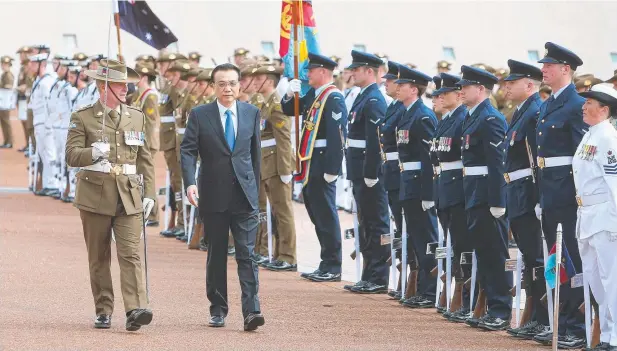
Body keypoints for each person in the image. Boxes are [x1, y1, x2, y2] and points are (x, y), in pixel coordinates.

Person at [65, 59, 155, 331]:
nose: (126, 88)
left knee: (131, 253)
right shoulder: (83, 116)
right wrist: (93, 152)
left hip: (128, 194)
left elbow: (145, 159)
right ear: (103, 87)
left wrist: (149, 194)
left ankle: (135, 309)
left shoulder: (136, 116)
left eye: (126, 84)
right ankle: (103, 308)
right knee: (99, 256)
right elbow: (71, 155)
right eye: (119, 84)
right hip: (95, 194)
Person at [181, 63, 264, 331]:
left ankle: (252, 310)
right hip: (213, 195)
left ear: (240, 86)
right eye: (221, 84)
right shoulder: (200, 114)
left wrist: (255, 191)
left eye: (232, 83)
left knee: (247, 255)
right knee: (216, 253)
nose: (227, 88)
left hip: (244, 195)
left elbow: (255, 156)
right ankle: (217, 308)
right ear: (214, 87)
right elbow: (187, 151)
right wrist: (190, 183)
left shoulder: (252, 113)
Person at [532, 42, 588, 349]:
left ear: (565, 69)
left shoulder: (576, 104)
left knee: (573, 259)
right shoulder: (548, 104)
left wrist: (578, 197)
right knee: (556, 259)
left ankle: (576, 324)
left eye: (548, 66)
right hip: (550, 192)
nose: (543, 70)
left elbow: (580, 158)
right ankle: (560, 321)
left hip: (568, 194)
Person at [281, 53, 347, 282]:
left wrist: (332, 169)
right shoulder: (315, 95)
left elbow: (337, 137)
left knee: (326, 214)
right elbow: (290, 110)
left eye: (311, 70)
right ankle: (325, 262)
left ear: (323, 72)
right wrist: (290, 93)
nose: (307, 74)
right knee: (316, 213)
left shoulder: (333, 97)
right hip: (310, 160)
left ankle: (333, 264)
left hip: (321, 161)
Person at [457, 65, 512, 331]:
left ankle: (501, 309)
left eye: (465, 87)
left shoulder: (490, 118)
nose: (461, 91)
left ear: (480, 89)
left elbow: (497, 164)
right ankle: (490, 305)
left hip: (487, 194)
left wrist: (498, 201)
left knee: (495, 253)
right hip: (473, 191)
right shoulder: (472, 115)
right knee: (483, 251)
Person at [500, 59, 550, 339]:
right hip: (516, 192)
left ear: (529, 85)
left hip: (528, 193)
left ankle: (542, 318)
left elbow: (536, 161)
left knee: (536, 257)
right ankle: (534, 316)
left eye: (513, 83)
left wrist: (537, 197)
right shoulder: (521, 112)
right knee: (529, 259)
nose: (506, 87)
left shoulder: (534, 112)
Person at [574, 83, 617, 351]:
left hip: (605, 215)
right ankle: (605, 334)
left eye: (590, 103)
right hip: (586, 214)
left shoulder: (608, 138)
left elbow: (614, 181)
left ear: (604, 109)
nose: (584, 106)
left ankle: (613, 337)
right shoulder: (590, 134)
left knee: (611, 278)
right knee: (594, 278)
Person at [344, 50, 390, 294]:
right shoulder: (364, 97)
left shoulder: (373, 100)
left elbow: (375, 140)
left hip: (368, 171)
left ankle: (378, 276)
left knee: (375, 223)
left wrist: (371, 171)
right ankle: (369, 273)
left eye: (357, 69)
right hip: (359, 169)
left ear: (369, 71)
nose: (352, 72)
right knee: (366, 223)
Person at [394, 65, 438, 308]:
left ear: (414, 89)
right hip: (407, 183)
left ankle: (430, 291)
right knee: (416, 238)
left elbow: (427, 158)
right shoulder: (406, 113)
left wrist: (428, 193)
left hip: (419, 185)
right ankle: (421, 288)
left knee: (426, 238)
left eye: (402, 85)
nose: (397, 89)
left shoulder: (422, 116)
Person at [432, 73, 474, 322]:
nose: (437, 98)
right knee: (452, 243)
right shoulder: (446, 120)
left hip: (457, 188)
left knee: (462, 245)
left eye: (443, 93)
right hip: (444, 187)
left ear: (457, 95)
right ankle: (458, 294)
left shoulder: (460, 119)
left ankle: (465, 297)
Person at [250, 64, 297, 271]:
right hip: (266, 164)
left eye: (259, 79)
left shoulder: (276, 104)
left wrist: (286, 170)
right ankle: (278, 253)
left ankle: (288, 256)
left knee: (283, 212)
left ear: (269, 81)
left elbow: (284, 139)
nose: (255, 83)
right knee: (275, 212)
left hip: (277, 165)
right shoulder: (266, 104)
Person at [133, 62, 161, 226]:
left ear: (143, 77)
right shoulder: (138, 95)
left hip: (146, 143)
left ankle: (153, 213)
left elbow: (150, 124)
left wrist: (147, 146)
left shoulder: (150, 96)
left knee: (148, 178)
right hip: (138, 142)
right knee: (141, 177)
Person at [28, 53, 57, 196]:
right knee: (42, 154)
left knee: (50, 153)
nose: (30, 66)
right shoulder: (37, 81)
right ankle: (46, 183)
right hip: (38, 122)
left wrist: (49, 125)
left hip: (46, 124)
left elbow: (49, 105)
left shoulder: (46, 82)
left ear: (42, 65)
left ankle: (52, 183)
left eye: (33, 64)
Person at [0, 55, 15, 148]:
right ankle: (6, 140)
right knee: (3, 122)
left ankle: (9, 141)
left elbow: (9, 86)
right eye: (2, 64)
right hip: (2, 101)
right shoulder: (3, 74)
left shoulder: (8, 75)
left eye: (5, 64)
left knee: (6, 122)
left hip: (5, 101)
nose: (3, 66)